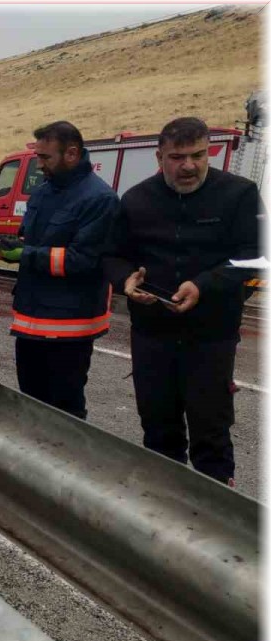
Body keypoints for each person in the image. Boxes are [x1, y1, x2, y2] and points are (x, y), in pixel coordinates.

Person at [103, 117, 262, 487]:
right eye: (177, 157)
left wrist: (204, 285)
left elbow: (257, 256)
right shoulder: (137, 199)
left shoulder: (239, 194)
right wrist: (125, 280)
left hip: (211, 337)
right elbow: (112, 255)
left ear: (210, 152)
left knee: (211, 431)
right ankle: (162, 508)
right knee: (158, 428)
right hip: (152, 336)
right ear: (159, 157)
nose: (189, 165)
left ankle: (217, 514)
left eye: (199, 155)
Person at [10, 121, 117, 419]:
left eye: (45, 158)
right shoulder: (43, 193)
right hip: (31, 319)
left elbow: (84, 260)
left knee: (64, 411)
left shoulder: (100, 199)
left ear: (71, 154)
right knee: (31, 404)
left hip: (69, 324)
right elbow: (34, 237)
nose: (39, 165)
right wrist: (16, 244)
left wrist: (26, 254)